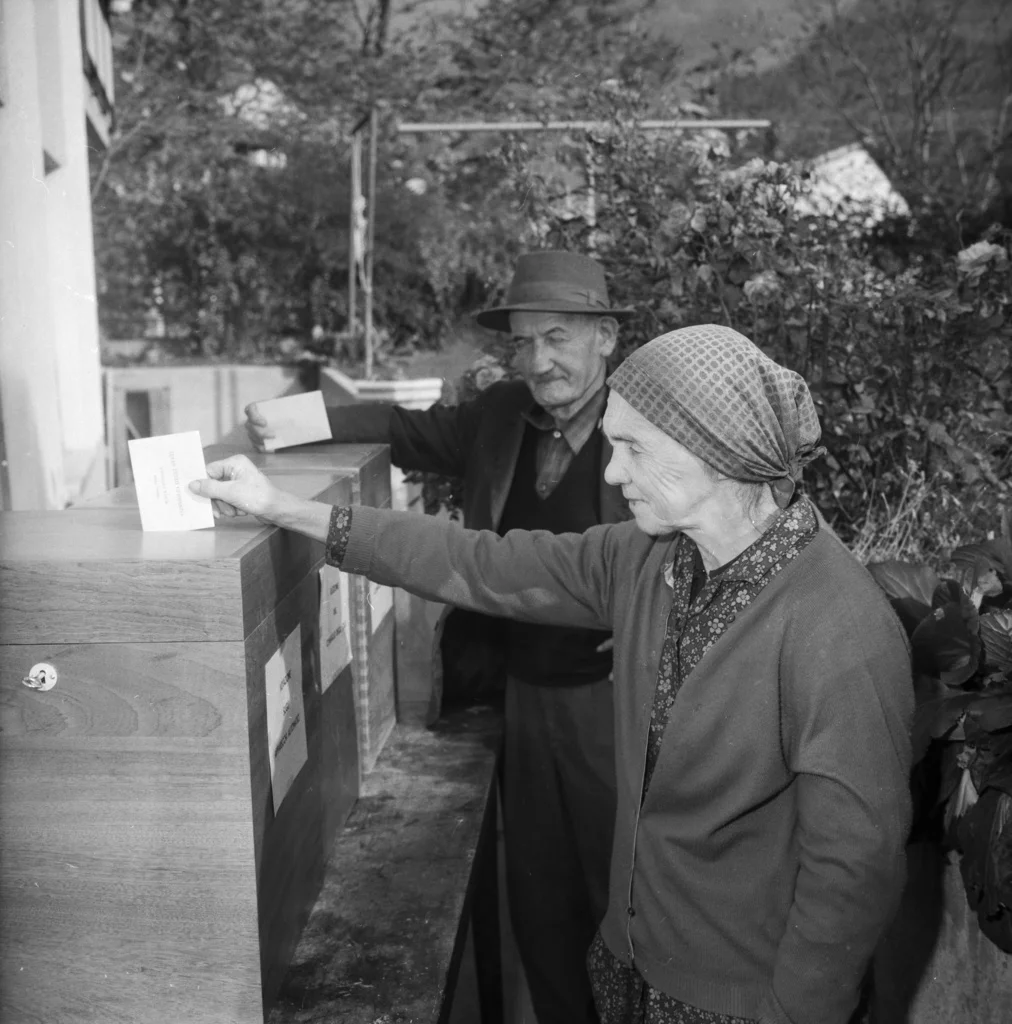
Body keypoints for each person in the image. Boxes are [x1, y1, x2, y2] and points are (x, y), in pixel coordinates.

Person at [194, 323, 914, 1024]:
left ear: (712, 449)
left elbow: (853, 876)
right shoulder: (646, 560)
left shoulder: (840, 625)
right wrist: (284, 509)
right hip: (630, 972)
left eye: (632, 448)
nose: (610, 471)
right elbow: (483, 562)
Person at [245, 250, 635, 1024]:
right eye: (524, 343)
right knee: (540, 899)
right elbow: (399, 427)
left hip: (618, 704)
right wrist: (296, 419)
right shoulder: (499, 417)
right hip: (522, 700)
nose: (540, 360)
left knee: (621, 900)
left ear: (606, 338)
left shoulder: (645, 426)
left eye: (558, 337)